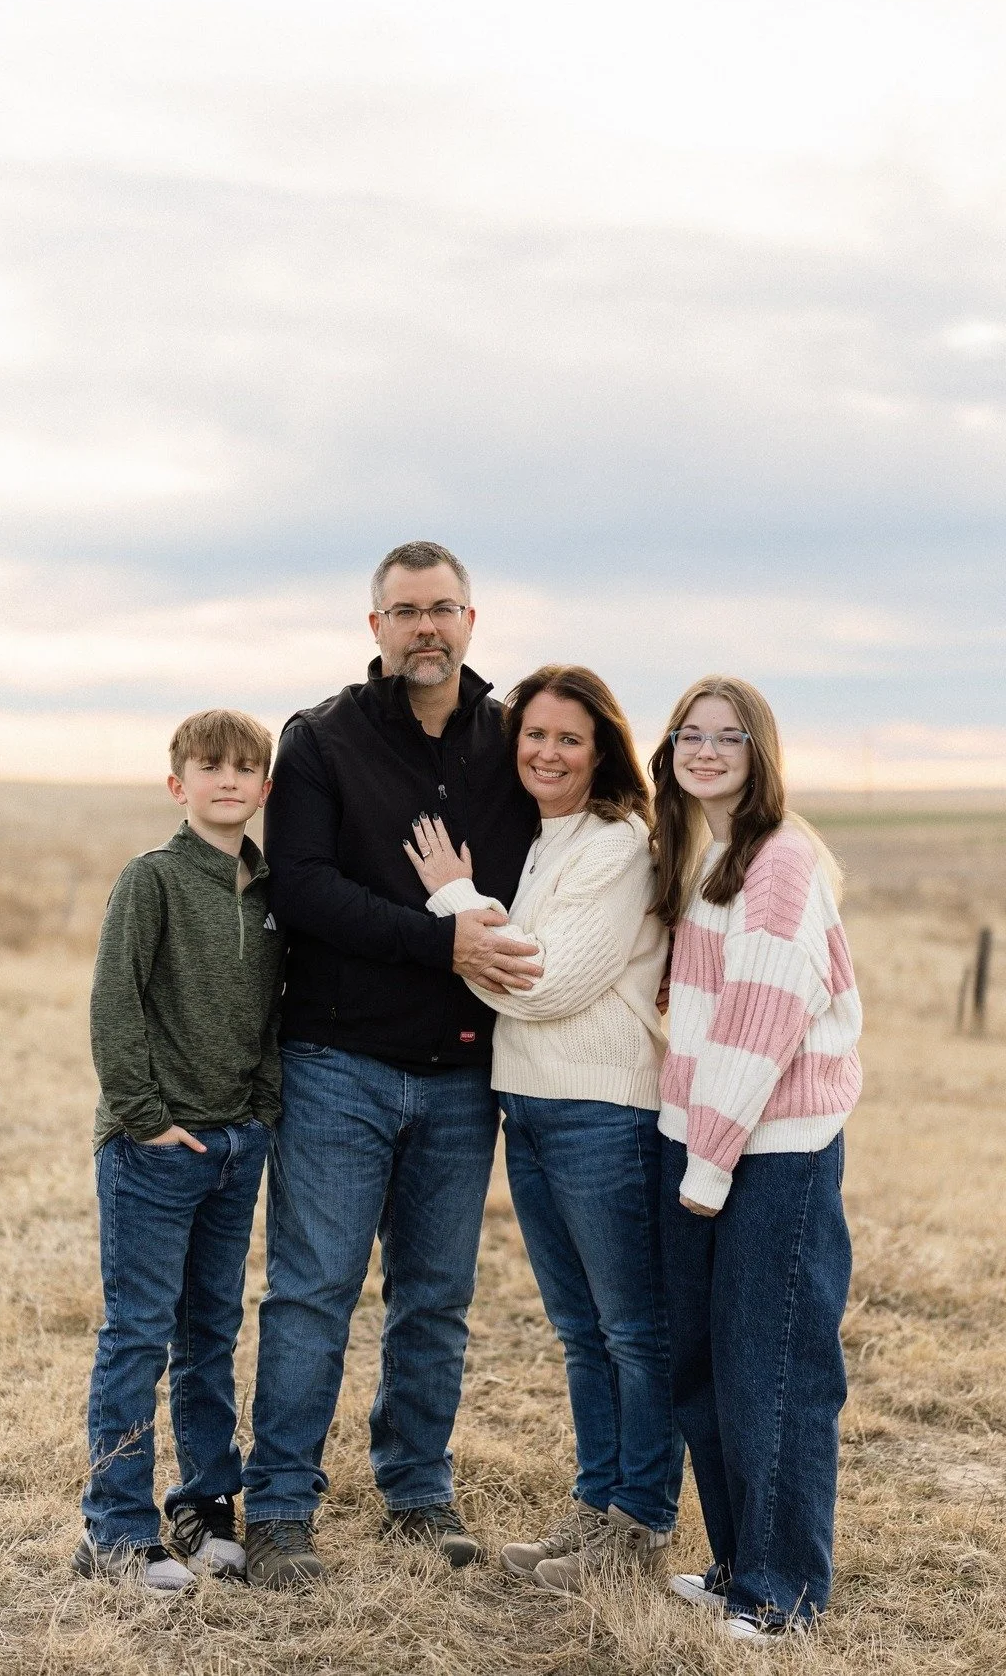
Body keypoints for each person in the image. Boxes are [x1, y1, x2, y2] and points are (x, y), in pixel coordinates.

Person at [242, 542, 540, 1586]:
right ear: (374, 626)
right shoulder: (321, 738)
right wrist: (444, 938)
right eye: (405, 610)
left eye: (442, 609)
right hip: (338, 1061)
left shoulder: (515, 741)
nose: (426, 627)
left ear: (472, 619)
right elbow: (305, 890)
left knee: (435, 1294)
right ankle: (278, 1503)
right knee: (313, 1289)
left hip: (464, 1072)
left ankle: (416, 1489)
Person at [403, 665, 681, 1595]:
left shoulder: (616, 843)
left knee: (631, 1330)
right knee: (577, 1328)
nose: (546, 753)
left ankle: (638, 1523)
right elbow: (518, 969)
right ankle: (596, 1504)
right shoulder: (540, 841)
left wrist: (453, 900)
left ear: (601, 747)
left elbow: (546, 982)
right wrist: (487, 932)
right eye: (533, 735)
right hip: (527, 1104)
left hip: (603, 1112)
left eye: (568, 738)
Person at [648, 676, 861, 1642]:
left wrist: (707, 1161)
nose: (705, 750)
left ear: (758, 752)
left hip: (769, 1155)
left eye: (726, 737)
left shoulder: (778, 861)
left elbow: (758, 1026)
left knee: (771, 1369)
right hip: (705, 1143)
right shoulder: (714, 852)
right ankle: (738, 1559)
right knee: (703, 1363)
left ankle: (784, 1590)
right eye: (690, 735)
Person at [74, 709, 283, 1593]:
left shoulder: (273, 891)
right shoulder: (152, 879)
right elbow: (114, 1001)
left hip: (238, 1145)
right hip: (157, 1149)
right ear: (179, 784)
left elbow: (279, 1010)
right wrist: (144, 1117)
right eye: (210, 766)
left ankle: (201, 1506)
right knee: (137, 1336)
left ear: (265, 787)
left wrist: (262, 1110)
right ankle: (115, 1532)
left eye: (245, 768)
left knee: (211, 1331)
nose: (228, 780)